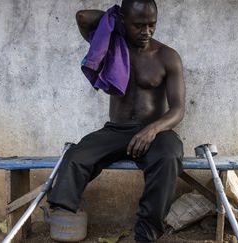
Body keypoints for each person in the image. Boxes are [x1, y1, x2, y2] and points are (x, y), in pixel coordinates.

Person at [47, 0, 186, 241]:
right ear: (123, 21)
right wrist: (113, 19)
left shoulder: (167, 56)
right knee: (76, 156)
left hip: (155, 133)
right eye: (138, 25)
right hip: (116, 131)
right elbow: (83, 17)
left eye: (152, 25)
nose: (146, 32)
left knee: (170, 156)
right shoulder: (112, 45)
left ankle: (146, 234)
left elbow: (178, 109)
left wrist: (152, 129)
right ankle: (64, 215)